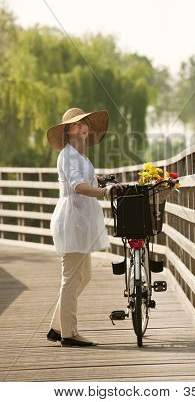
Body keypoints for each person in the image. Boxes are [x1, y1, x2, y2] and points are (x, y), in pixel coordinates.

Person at [46, 107, 127, 347]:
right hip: (73, 220)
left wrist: (98, 180)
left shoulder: (79, 155)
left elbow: (83, 180)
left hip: (80, 221)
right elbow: (77, 186)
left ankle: (56, 327)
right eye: (76, 125)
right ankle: (69, 334)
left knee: (84, 276)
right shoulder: (69, 155)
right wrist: (104, 191)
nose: (82, 127)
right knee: (71, 278)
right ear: (67, 132)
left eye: (85, 124)